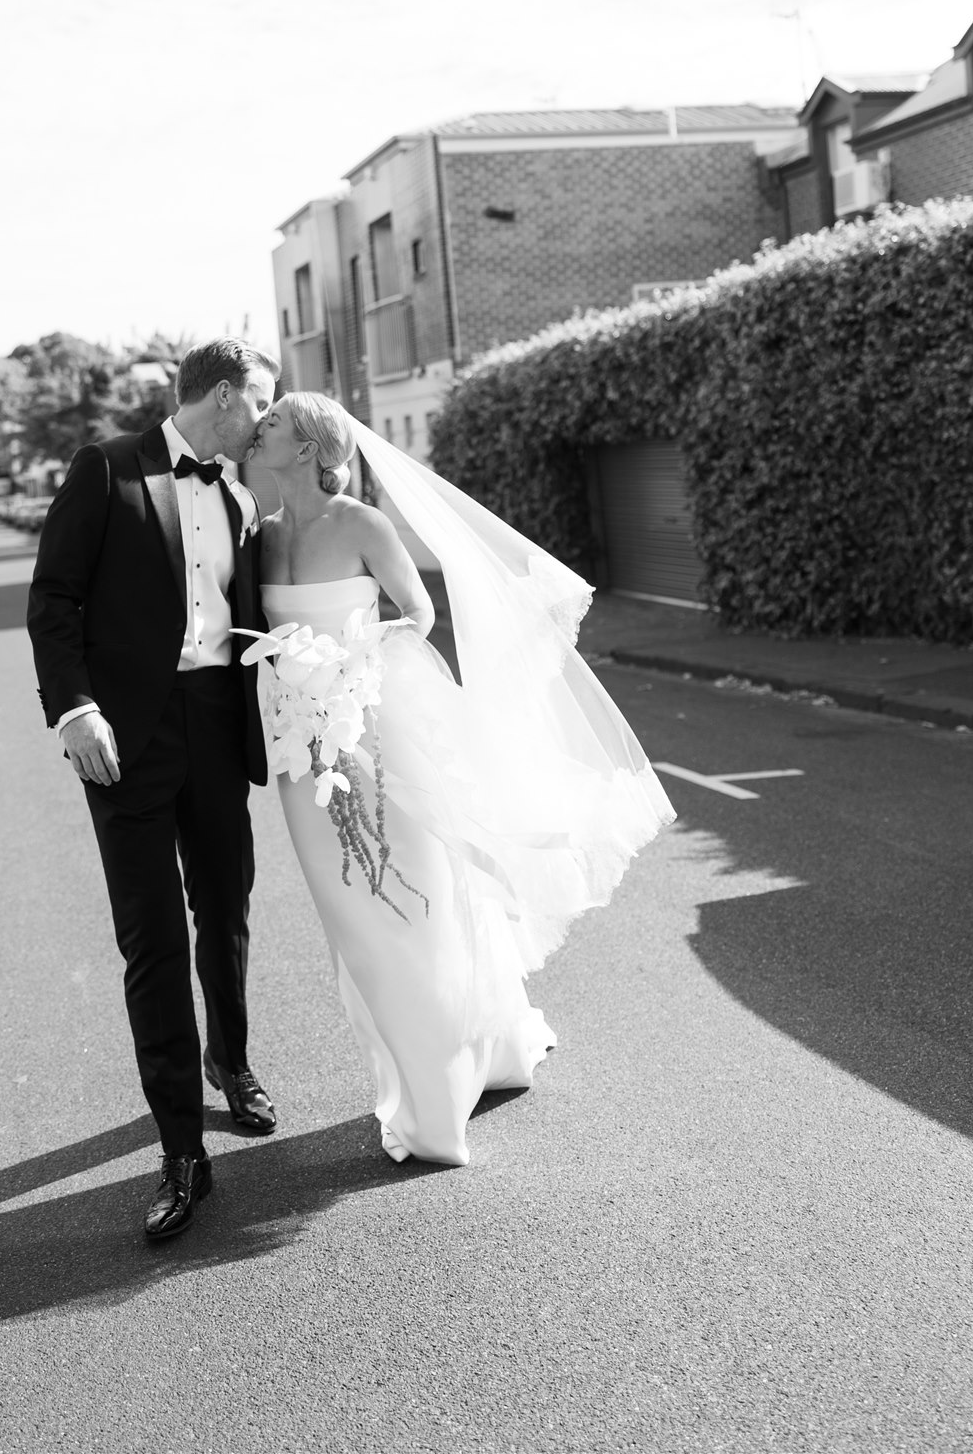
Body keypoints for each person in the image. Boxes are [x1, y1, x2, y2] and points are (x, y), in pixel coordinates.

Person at [248, 391, 675, 1168]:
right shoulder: (263, 535)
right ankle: (465, 1049)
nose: (259, 426)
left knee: (409, 912)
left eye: (273, 420)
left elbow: (417, 616)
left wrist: (344, 672)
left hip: (372, 737)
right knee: (352, 926)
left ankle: (432, 1102)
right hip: (301, 755)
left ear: (308, 447)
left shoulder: (362, 526)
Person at [26, 339, 278, 1240]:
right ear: (221, 396)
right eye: (260, 405)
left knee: (228, 908)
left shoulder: (244, 490)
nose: (265, 421)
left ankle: (232, 1064)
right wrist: (73, 709)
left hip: (217, 723)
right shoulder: (107, 470)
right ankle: (181, 1151)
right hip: (123, 738)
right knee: (153, 940)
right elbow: (52, 598)